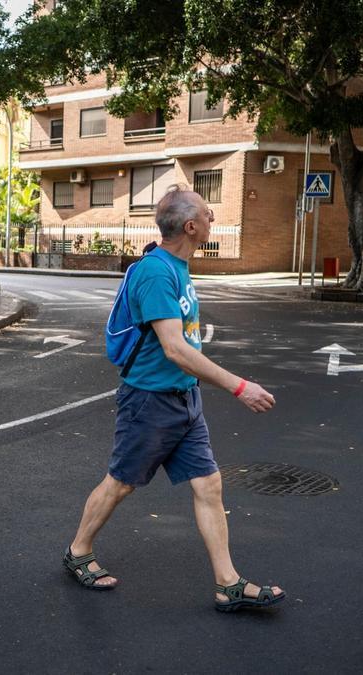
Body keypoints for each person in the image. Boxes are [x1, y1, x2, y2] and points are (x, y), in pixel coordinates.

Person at [61, 187, 286, 613]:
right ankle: (78, 552)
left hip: (184, 399)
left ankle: (228, 584)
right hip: (149, 402)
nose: (212, 215)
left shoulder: (178, 267)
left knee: (209, 484)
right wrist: (240, 387)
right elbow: (176, 349)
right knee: (121, 482)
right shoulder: (156, 273)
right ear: (190, 227)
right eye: (206, 212)